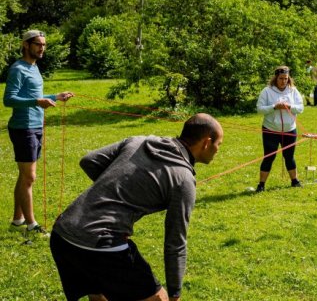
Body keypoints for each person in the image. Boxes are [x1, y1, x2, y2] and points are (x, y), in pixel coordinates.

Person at [50, 113, 224, 301]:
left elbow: (90, 160)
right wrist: (175, 294)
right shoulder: (184, 180)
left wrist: (122, 191)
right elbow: (175, 243)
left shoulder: (140, 141)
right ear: (206, 142)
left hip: (62, 233)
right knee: (158, 299)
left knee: (99, 295)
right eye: (218, 144)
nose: (217, 150)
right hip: (99, 243)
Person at [4, 30, 73, 237]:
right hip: (23, 127)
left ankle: (17, 220)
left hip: (35, 126)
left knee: (25, 176)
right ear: (26, 45)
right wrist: (36, 102)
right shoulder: (18, 69)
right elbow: (8, 100)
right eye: (38, 44)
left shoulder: (34, 68)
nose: (42, 48)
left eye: (44, 44)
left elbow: (35, 96)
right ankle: (32, 225)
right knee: (30, 177)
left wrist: (55, 97)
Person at [256, 66, 304, 192]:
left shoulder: (293, 91)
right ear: (276, 78)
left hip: (289, 130)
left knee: (289, 156)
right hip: (270, 129)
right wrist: (274, 107)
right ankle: (261, 185)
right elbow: (259, 109)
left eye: (286, 79)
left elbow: (300, 108)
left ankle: (295, 181)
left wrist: (289, 106)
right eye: (281, 78)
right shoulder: (266, 91)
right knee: (269, 157)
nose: (283, 81)